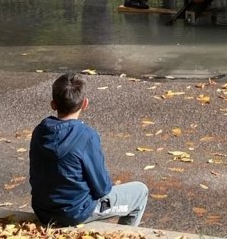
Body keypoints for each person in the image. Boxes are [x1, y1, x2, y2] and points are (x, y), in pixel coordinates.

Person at [29, 72, 148, 228]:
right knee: (140, 192)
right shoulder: (87, 136)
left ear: (53, 104)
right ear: (85, 103)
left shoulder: (40, 131)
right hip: (74, 213)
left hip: (43, 210)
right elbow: (102, 188)